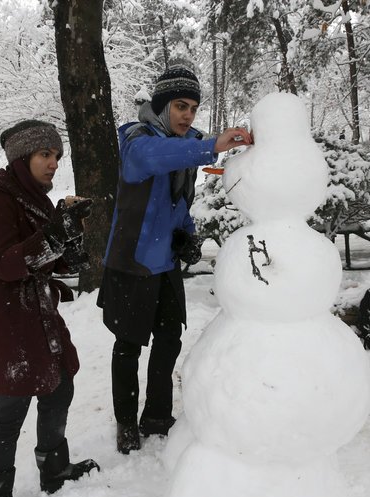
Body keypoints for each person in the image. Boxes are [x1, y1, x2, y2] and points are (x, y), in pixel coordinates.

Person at [97, 60, 253, 454]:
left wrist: (188, 235)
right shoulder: (137, 140)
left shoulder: (183, 151)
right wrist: (210, 145)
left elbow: (179, 203)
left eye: (193, 108)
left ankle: (157, 415)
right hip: (132, 262)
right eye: (180, 106)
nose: (188, 115)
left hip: (164, 262)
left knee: (168, 339)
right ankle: (126, 423)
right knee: (129, 345)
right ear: (162, 105)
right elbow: (156, 156)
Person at [0, 120, 99, 497]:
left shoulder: (37, 199)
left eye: (57, 155)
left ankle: (55, 470)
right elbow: (5, 264)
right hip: (6, 319)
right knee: (9, 411)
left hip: (40, 312)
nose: (53, 163)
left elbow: (54, 260)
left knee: (60, 387)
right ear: (22, 158)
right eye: (45, 154)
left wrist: (71, 234)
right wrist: (56, 233)